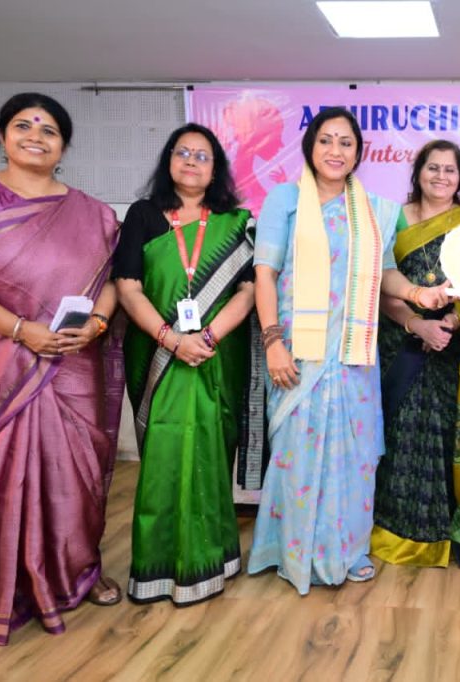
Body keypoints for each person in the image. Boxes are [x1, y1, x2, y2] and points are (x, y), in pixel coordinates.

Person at [0, 93, 123, 645]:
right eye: (23, 125)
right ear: (3, 135)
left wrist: (97, 324)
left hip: (71, 360)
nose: (36, 135)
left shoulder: (95, 213)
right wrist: (19, 329)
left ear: (64, 146)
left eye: (49, 129)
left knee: (76, 474)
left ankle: (76, 573)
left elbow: (109, 282)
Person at [248, 108, 451, 594]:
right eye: (326, 140)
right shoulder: (285, 200)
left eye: (346, 143)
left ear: (359, 153)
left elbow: (386, 275)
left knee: (354, 456)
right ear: (310, 147)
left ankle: (347, 549)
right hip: (298, 351)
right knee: (298, 453)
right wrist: (273, 343)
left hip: (354, 354)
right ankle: (295, 551)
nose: (335, 151)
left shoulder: (377, 211)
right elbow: (265, 275)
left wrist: (418, 294)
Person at [114, 123, 259, 605]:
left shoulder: (236, 222)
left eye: (203, 155)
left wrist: (208, 337)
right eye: (183, 152)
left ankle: (213, 559)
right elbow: (127, 286)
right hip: (159, 353)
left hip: (217, 356)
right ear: (168, 161)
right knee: (163, 458)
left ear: (216, 169)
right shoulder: (143, 215)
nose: (192, 161)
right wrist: (172, 339)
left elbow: (248, 291)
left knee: (212, 452)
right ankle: (157, 568)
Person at [372, 140, 460, 574]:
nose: (441, 176)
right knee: (400, 433)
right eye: (433, 168)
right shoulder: (392, 218)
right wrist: (418, 325)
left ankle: (444, 531)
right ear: (418, 172)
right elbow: (381, 285)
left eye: (450, 170)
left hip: (452, 350)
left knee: (446, 436)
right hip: (400, 344)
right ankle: (394, 530)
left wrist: (447, 324)